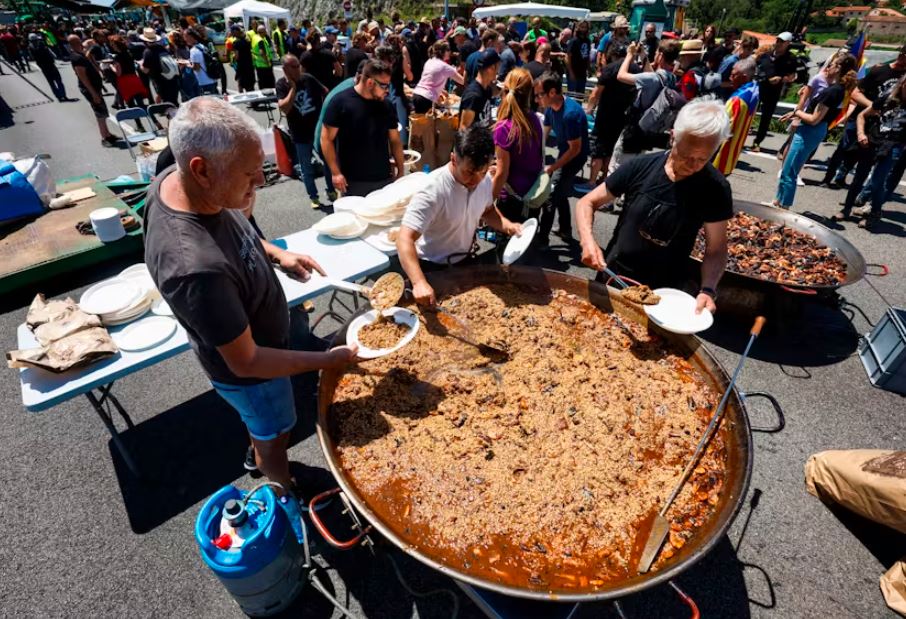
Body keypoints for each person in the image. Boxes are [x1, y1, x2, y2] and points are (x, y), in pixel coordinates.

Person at [143, 98, 358, 494]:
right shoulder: (195, 269)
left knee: (261, 426)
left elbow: (232, 226)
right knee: (275, 434)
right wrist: (327, 361)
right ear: (201, 169)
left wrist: (275, 253)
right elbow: (248, 362)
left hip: (258, 350)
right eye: (249, 174)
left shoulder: (181, 182)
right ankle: (282, 485)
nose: (261, 182)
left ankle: (258, 445)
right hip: (255, 375)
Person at [577, 97, 733, 313]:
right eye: (686, 155)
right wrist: (587, 240)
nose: (692, 165)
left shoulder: (715, 188)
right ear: (673, 137)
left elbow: (716, 249)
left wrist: (707, 289)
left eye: (702, 159)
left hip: (666, 293)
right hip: (614, 275)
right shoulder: (641, 166)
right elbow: (587, 202)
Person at [397, 125, 523, 306]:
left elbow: (487, 211)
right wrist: (419, 283)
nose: (476, 180)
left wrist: (506, 224)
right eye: (469, 172)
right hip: (432, 267)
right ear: (454, 159)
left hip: (465, 262)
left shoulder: (484, 180)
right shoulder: (433, 190)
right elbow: (404, 239)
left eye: (482, 172)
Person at [772, 53, 857, 209]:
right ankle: (777, 201)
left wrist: (797, 113)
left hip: (810, 131)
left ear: (838, 69)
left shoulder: (832, 91)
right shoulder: (838, 89)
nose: (828, 66)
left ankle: (784, 207)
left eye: (832, 64)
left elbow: (814, 119)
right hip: (812, 130)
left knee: (790, 171)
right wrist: (795, 113)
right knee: (787, 170)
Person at [822, 45, 906, 188]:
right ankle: (827, 178)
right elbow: (855, 93)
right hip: (860, 116)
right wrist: (873, 106)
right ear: (900, 54)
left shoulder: (904, 78)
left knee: (862, 152)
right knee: (844, 147)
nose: (903, 60)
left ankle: (841, 177)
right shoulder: (879, 70)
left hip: (880, 123)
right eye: (903, 56)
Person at [321, 59, 404, 196]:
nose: (387, 91)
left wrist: (400, 171)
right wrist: (335, 173)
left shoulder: (386, 105)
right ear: (370, 83)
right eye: (384, 86)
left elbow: (395, 140)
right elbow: (326, 139)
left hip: (384, 177)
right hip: (353, 181)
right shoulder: (340, 103)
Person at [834, 75, 906, 229]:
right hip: (873, 140)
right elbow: (862, 115)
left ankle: (875, 212)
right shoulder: (889, 99)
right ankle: (846, 209)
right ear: (902, 83)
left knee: (877, 181)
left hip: (894, 145)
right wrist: (861, 134)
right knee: (859, 177)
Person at [611, 39, 682, 175]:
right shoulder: (671, 78)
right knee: (634, 169)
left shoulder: (652, 79)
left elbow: (621, 76)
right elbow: (652, 75)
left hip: (634, 130)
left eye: (656, 53)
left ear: (660, 56)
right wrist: (644, 56)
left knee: (616, 170)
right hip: (648, 131)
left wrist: (629, 55)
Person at [534, 71, 589, 243]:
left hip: (575, 157)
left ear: (552, 93)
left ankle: (542, 239)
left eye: (539, 95)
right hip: (565, 151)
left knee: (551, 195)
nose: (536, 100)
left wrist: (552, 167)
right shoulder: (551, 109)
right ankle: (565, 230)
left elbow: (574, 150)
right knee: (561, 192)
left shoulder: (570, 115)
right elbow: (544, 133)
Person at [276, 54, 335, 208]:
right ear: (285, 69)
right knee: (306, 167)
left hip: (317, 130)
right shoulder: (282, 85)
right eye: (294, 67)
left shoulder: (308, 78)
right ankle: (313, 197)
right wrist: (293, 88)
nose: (298, 69)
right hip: (300, 133)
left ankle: (331, 190)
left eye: (298, 65)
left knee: (328, 161)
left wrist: (326, 113)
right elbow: (284, 108)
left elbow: (326, 91)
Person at [491, 67, 544, 222]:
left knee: (507, 243)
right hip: (533, 195)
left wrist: (487, 204)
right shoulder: (535, 119)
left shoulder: (504, 128)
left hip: (511, 200)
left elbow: (502, 174)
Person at [582, 43, 637, 190]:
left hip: (605, 114)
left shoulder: (609, 69)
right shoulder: (635, 70)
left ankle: (591, 181)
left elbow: (595, 93)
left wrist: (588, 110)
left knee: (599, 149)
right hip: (624, 116)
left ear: (612, 55)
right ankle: (605, 179)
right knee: (612, 149)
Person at [750, 32, 798, 152]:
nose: (778, 44)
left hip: (773, 91)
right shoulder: (765, 55)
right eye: (778, 41)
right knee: (749, 113)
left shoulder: (791, 59)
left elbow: (792, 76)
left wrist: (782, 79)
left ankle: (757, 141)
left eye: (782, 42)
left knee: (766, 118)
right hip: (758, 88)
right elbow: (754, 68)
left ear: (787, 43)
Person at [67, 35, 118, 146]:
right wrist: (93, 92)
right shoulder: (77, 58)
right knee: (100, 113)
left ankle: (107, 134)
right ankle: (105, 137)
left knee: (102, 112)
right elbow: (82, 76)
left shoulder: (80, 54)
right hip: (91, 89)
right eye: (79, 42)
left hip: (95, 87)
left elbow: (87, 47)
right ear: (75, 43)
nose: (81, 43)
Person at [713, 57, 759, 176]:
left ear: (743, 77)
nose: (730, 78)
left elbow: (722, 129)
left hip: (720, 156)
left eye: (733, 75)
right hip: (733, 153)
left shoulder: (737, 100)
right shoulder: (753, 91)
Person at [411, 41, 465, 113]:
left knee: (420, 123)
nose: (450, 52)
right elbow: (463, 81)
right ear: (443, 52)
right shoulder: (445, 67)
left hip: (417, 94)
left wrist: (441, 90)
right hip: (426, 98)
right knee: (428, 123)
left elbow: (429, 80)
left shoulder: (429, 61)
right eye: (448, 50)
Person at [140, 27, 180, 106]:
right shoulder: (162, 48)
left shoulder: (148, 52)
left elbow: (146, 70)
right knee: (174, 103)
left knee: (168, 106)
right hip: (172, 79)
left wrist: (140, 64)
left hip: (160, 83)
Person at [460, 49, 499, 129]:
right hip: (473, 141)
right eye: (498, 66)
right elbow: (464, 128)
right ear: (491, 68)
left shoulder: (487, 90)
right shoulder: (473, 96)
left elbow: (486, 120)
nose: (498, 71)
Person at [109, 34, 149, 110]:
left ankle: (138, 121)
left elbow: (119, 73)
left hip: (125, 81)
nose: (112, 47)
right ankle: (153, 120)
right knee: (141, 104)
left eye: (113, 45)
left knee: (131, 106)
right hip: (134, 78)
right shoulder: (129, 53)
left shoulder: (117, 57)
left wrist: (112, 67)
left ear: (116, 46)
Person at [28, 33, 68, 102]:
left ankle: (58, 96)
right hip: (50, 65)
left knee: (51, 83)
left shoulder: (30, 47)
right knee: (58, 80)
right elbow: (49, 52)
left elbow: (32, 57)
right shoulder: (41, 44)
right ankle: (63, 95)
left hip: (43, 67)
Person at [185, 27, 218, 96]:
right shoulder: (202, 46)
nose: (185, 39)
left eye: (186, 37)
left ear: (191, 37)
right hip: (212, 79)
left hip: (204, 82)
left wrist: (187, 64)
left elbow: (196, 68)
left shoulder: (193, 50)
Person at [566, 20, 591, 95]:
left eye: (585, 27)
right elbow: (568, 57)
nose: (583, 29)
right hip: (573, 71)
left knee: (580, 95)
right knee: (572, 95)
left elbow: (587, 55)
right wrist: (571, 72)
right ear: (578, 27)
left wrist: (589, 69)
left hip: (582, 72)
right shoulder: (573, 41)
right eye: (582, 27)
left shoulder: (588, 41)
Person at [251, 25, 275, 89]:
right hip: (265, 65)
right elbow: (262, 53)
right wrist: (267, 62)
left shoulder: (255, 37)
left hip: (258, 64)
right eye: (265, 31)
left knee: (261, 82)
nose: (266, 33)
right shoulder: (260, 40)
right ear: (261, 32)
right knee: (269, 84)